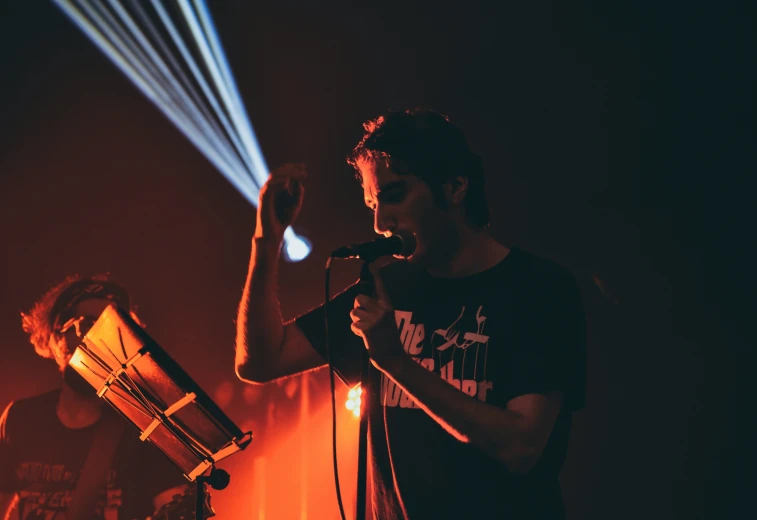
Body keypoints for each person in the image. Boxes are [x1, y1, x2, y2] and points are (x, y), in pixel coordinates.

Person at [235, 109, 586, 519]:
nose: (381, 222)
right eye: (371, 203)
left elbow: (520, 447)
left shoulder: (538, 288)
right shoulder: (389, 287)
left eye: (394, 195)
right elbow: (259, 361)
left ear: (455, 187)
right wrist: (267, 239)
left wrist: (395, 361)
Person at [0, 275, 189, 520]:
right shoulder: (20, 418)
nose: (99, 339)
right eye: (88, 325)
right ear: (57, 339)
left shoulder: (147, 429)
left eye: (114, 329)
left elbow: (174, 507)